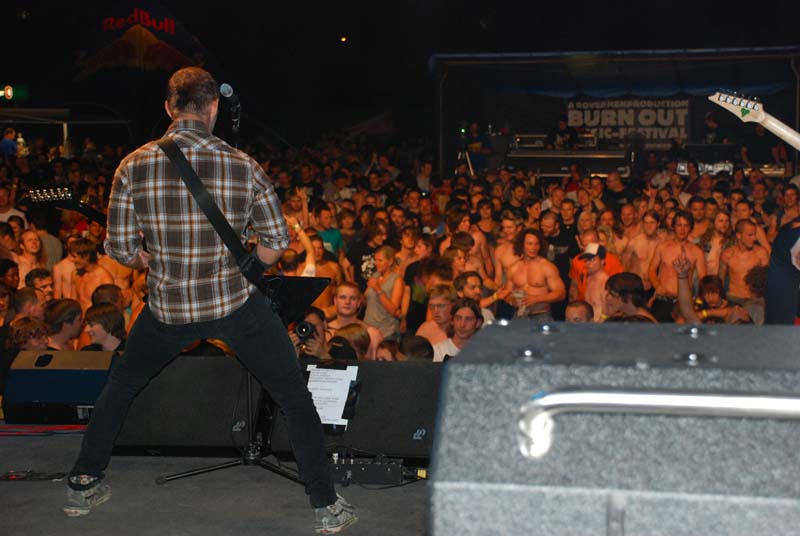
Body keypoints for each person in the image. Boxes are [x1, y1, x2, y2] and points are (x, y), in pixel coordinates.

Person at [63, 68, 356, 532]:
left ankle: (83, 482)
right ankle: (326, 506)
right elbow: (276, 242)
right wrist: (247, 265)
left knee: (121, 386)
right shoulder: (243, 164)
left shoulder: (133, 165)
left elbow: (119, 249)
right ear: (214, 106)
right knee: (293, 396)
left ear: (168, 106)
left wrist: (146, 259)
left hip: (167, 309)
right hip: (235, 306)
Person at [648, 211, 707, 322]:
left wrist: (698, 302)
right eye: (679, 225)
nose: (682, 229)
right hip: (663, 299)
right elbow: (651, 269)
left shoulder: (697, 252)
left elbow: (703, 280)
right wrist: (657, 286)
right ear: (673, 227)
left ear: (691, 228)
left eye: (686, 226)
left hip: (684, 303)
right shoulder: (662, 247)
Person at [505, 228, 566, 320]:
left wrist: (537, 299)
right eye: (529, 244)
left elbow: (561, 293)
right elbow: (507, 293)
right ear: (522, 245)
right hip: (520, 315)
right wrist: (512, 300)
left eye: (536, 244)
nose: (533, 248)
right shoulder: (513, 268)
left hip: (542, 314)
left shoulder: (547, 267)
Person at [432, 297, 483, 362]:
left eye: (468, 319)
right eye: (458, 318)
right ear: (452, 320)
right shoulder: (438, 351)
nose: (462, 324)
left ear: (478, 323)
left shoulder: (485, 353)